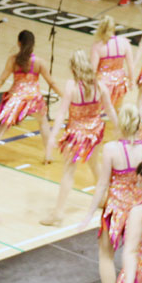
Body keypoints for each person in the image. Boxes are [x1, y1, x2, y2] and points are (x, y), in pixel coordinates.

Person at [78, 104, 142, 283]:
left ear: (121, 124)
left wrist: (89, 214)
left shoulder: (111, 149)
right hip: (139, 210)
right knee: (136, 254)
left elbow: (102, 185)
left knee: (106, 256)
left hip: (116, 210)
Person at [43, 50, 118, 226]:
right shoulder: (100, 86)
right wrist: (119, 128)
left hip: (76, 133)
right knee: (94, 164)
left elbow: (61, 114)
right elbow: (110, 110)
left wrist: (53, 136)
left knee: (69, 172)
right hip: (94, 132)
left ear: (73, 68)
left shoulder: (71, 86)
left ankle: (58, 213)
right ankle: (105, 198)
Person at [0, 30, 61, 172]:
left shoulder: (13, 60)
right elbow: (52, 82)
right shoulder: (39, 62)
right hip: (33, 98)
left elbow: (1, 80)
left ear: (19, 43)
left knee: (1, 129)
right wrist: (64, 95)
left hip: (16, 97)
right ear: (33, 45)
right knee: (43, 123)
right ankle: (48, 155)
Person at [91, 16, 134, 109]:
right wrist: (131, 81)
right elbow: (130, 65)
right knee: (117, 110)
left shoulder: (98, 45)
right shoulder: (124, 42)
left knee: (98, 110)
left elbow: (93, 69)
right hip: (120, 81)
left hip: (103, 82)